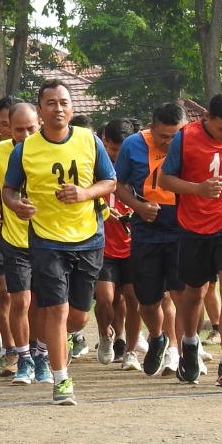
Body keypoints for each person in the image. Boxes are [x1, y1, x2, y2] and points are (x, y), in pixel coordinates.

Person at [1, 81, 116, 404]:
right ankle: (61, 379)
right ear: (40, 110)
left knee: (78, 317)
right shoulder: (25, 149)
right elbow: (9, 189)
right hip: (46, 239)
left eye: (63, 102)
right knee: (56, 309)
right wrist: (16, 205)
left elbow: (110, 181)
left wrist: (84, 193)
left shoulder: (89, 141)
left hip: (88, 238)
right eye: (50, 103)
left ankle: (51, 348)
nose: (58, 108)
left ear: (72, 107)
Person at [159, 92, 222, 387]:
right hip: (194, 225)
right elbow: (165, 180)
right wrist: (197, 188)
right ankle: (190, 343)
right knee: (194, 293)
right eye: (221, 129)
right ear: (206, 118)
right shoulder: (185, 138)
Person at [113, 102, 188, 379]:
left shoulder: (190, 144)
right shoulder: (133, 145)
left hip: (181, 229)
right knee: (147, 301)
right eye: (163, 136)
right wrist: (139, 206)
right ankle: (157, 337)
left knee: (182, 295)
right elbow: (118, 184)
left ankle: (185, 352)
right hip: (146, 230)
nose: (169, 142)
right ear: (150, 128)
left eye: (174, 136)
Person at [0, 102, 40, 381]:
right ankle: (20, 355)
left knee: (47, 303)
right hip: (13, 237)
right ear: (7, 128)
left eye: (31, 129)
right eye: (19, 130)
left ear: (39, 124)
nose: (25, 136)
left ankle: (42, 350)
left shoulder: (51, 149)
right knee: (18, 299)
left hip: (50, 237)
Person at [97, 118, 143, 371]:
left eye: (121, 149)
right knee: (105, 298)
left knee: (132, 298)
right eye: (113, 149)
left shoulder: (138, 164)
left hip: (133, 243)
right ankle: (105, 334)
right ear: (105, 141)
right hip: (103, 243)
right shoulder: (96, 163)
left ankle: (130, 350)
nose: (117, 154)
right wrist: (104, 210)